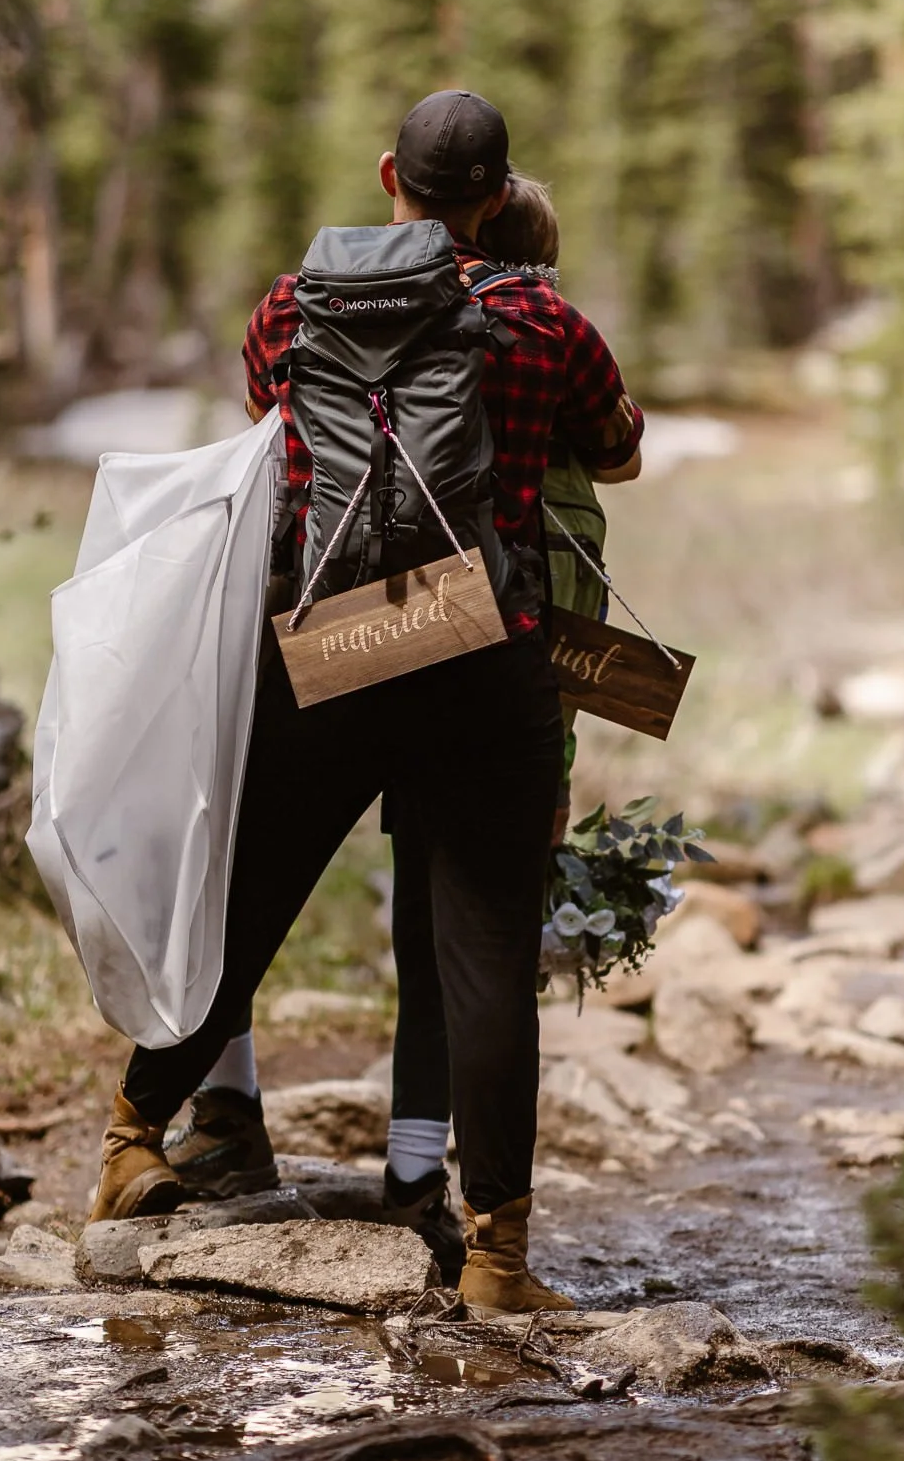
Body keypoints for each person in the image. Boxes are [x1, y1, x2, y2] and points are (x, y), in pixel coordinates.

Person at [88, 90, 643, 1315]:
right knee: (487, 946)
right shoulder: (546, 317)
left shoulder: (295, 303)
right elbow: (614, 447)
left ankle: (133, 1135)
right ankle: (495, 1256)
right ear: (500, 197)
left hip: (334, 636)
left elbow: (266, 418)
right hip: (482, 644)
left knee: (254, 891)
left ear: (389, 174)